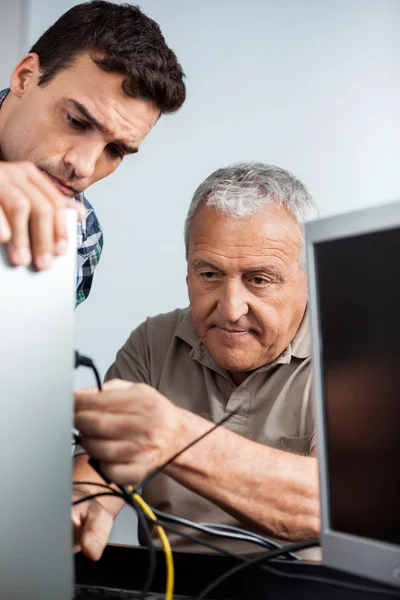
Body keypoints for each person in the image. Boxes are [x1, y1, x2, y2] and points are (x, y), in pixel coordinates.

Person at [73, 162, 320, 560]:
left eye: (259, 279)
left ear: (308, 278)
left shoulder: (352, 357)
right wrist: (85, 506)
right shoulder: (153, 343)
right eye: (209, 274)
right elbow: (96, 474)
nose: (231, 308)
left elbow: (329, 507)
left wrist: (172, 437)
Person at [0, 0, 185, 305]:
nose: (83, 167)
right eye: (76, 121)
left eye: (115, 150)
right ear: (25, 76)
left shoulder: (83, 237)